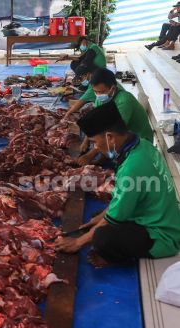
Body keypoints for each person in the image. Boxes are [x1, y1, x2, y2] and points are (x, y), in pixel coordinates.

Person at [56, 102, 180, 266]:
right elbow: (123, 199)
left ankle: (114, 257)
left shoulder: (132, 167)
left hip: (162, 236)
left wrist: (77, 242)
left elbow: (114, 218)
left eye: (95, 142)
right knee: (99, 217)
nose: (96, 147)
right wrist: (99, 219)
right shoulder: (143, 145)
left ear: (110, 137)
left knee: (102, 237)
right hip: (163, 217)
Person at [62, 68, 154, 165]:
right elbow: (97, 122)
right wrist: (86, 140)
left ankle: (104, 162)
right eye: (95, 92)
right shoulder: (100, 100)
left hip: (139, 140)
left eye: (101, 92)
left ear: (113, 88)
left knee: (114, 152)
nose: (98, 95)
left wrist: (90, 155)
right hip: (123, 136)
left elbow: (113, 132)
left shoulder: (124, 102)